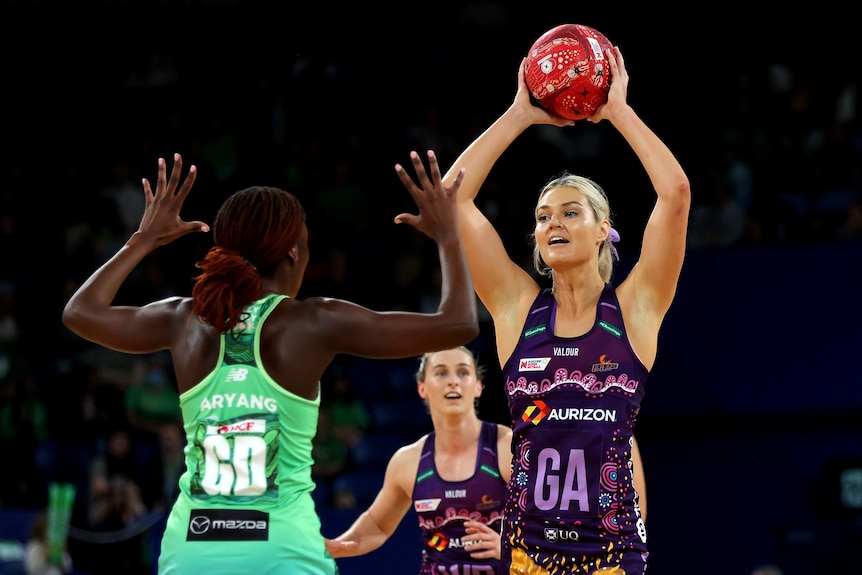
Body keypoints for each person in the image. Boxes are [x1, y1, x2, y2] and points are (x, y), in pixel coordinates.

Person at [61, 150, 479, 575]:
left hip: (191, 549)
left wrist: (143, 239)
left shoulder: (183, 319)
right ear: (295, 252)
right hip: (280, 551)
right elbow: (459, 324)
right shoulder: (316, 321)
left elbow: (80, 313)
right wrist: (447, 235)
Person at [432, 46, 691, 574]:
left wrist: (619, 111)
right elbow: (451, 197)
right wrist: (521, 113)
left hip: (613, 559)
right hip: (527, 556)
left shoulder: (636, 308)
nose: (554, 223)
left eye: (572, 212)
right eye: (544, 215)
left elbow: (675, 193)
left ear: (603, 230)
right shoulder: (516, 307)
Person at [325, 345, 512, 574]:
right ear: (422, 388)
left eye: (463, 372)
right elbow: (377, 525)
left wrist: (512, 547)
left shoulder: (507, 447)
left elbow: (556, 521)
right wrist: (336, 547)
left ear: (478, 387)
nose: (453, 381)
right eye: (441, 373)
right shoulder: (408, 461)